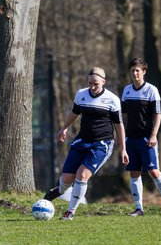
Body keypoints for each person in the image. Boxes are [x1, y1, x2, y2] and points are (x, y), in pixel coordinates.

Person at [44, 66, 129, 220]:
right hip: (82, 140)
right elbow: (74, 112)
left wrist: (123, 149)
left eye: (95, 83)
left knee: (82, 175)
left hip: (102, 144)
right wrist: (64, 128)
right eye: (90, 83)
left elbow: (119, 125)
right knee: (66, 179)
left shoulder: (113, 99)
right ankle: (59, 190)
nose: (92, 86)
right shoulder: (81, 94)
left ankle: (70, 212)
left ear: (104, 82)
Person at [121, 58, 161, 216]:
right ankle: (139, 207)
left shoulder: (151, 90)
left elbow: (158, 115)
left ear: (144, 72)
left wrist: (153, 135)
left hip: (146, 138)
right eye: (132, 70)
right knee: (134, 172)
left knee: (153, 171)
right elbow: (123, 116)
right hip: (130, 139)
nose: (134, 73)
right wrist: (123, 139)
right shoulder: (126, 90)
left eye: (137, 70)